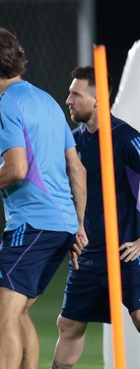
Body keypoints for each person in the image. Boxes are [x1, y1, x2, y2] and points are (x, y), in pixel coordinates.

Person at [0, 27, 87, 369]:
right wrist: (79, 225)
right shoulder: (47, 101)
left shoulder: (2, 106)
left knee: (0, 310)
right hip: (61, 225)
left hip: (33, 224)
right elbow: (77, 170)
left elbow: (16, 169)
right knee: (16, 311)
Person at [51, 66, 140, 368]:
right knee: (70, 325)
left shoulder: (126, 138)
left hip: (124, 253)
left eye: (76, 94)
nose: (69, 100)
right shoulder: (72, 144)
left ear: (98, 98)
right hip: (87, 255)